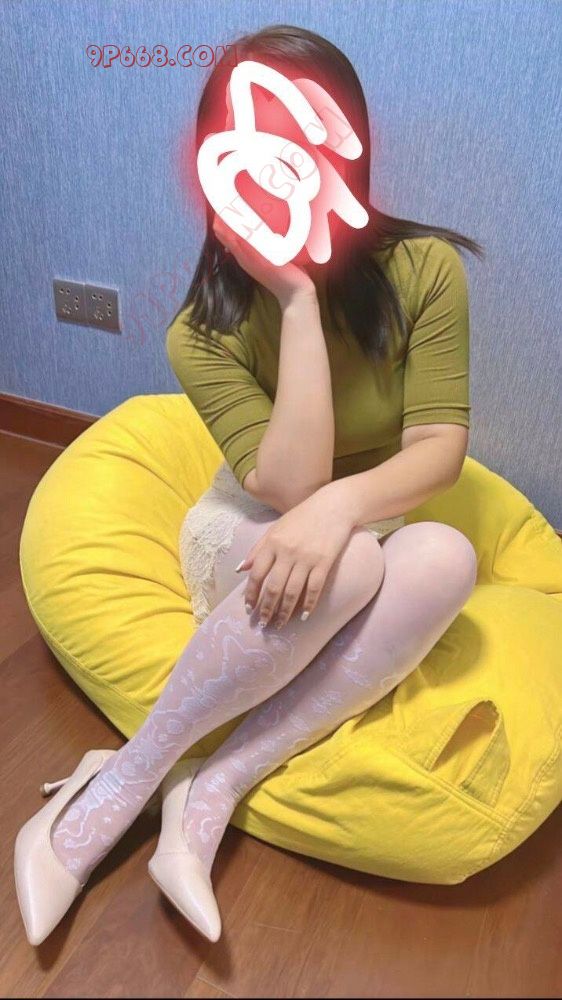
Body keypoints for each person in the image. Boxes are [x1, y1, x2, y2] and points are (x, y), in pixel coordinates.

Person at [14, 24, 481, 947]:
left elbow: (438, 451)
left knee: (447, 555)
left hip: (366, 526)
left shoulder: (423, 269)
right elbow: (292, 484)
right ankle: (124, 781)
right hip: (250, 525)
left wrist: (345, 507)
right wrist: (296, 298)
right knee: (350, 564)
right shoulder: (201, 329)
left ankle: (216, 783)